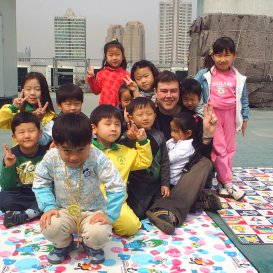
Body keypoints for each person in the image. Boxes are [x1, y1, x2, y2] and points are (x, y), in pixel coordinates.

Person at [32, 113, 125, 264]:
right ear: (55, 143)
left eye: (81, 149)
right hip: (64, 210)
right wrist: (49, 206)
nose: (74, 157)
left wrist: (110, 215)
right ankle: (64, 244)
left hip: (93, 212)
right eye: (67, 151)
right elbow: (41, 181)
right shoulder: (51, 157)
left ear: (90, 142)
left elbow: (116, 185)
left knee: (99, 233)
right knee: (50, 225)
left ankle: (91, 246)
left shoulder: (97, 157)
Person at [146, 70, 222, 235]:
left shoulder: (191, 118)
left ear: (179, 92)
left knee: (205, 163)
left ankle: (166, 209)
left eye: (173, 91)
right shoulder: (147, 114)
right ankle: (194, 199)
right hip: (155, 172)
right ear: (155, 92)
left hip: (181, 175)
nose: (169, 95)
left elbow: (201, 155)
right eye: (164, 91)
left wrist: (207, 136)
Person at [194, 36, 249, 201]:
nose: (222, 59)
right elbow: (191, 88)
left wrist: (244, 118)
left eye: (227, 55)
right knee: (219, 149)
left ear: (234, 55)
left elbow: (244, 99)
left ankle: (221, 182)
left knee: (230, 150)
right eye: (218, 55)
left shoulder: (239, 78)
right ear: (213, 56)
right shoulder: (205, 75)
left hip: (231, 116)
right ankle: (229, 184)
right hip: (212, 116)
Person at [90, 104, 152, 236]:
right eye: (107, 124)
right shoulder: (85, 150)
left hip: (116, 204)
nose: (113, 128)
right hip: (88, 204)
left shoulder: (125, 151)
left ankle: (108, 224)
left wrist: (142, 142)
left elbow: (144, 162)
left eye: (117, 124)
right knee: (83, 227)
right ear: (94, 128)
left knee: (131, 227)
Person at [124, 97, 170, 220]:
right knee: (137, 214)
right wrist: (130, 138)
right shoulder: (128, 135)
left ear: (155, 115)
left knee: (158, 209)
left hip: (155, 184)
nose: (145, 118)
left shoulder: (159, 135)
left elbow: (165, 161)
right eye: (140, 115)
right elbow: (123, 156)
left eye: (149, 114)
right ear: (131, 117)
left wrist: (165, 183)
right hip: (135, 185)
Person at [0, 112, 47, 228]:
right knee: (4, 198)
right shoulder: (12, 155)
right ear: (14, 137)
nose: (27, 135)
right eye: (21, 132)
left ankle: (25, 215)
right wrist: (9, 166)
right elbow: (7, 186)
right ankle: (36, 211)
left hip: (43, 192)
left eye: (31, 131)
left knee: (55, 195)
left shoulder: (46, 153)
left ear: (40, 133)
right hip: (23, 194)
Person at [0, 72, 56, 146]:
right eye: (28, 89)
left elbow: (44, 141)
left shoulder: (51, 117)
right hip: (19, 156)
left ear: (44, 91)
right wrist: (13, 108)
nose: (32, 93)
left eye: (37, 89)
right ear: (22, 90)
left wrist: (39, 121)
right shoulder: (16, 112)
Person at [87, 39, 130, 106]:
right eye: (111, 55)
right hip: (105, 110)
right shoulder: (101, 74)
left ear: (123, 57)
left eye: (117, 54)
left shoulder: (126, 75)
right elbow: (96, 91)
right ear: (106, 57)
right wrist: (91, 78)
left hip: (120, 110)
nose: (114, 58)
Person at [167, 112, 196, 187]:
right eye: (172, 130)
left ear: (188, 133)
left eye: (176, 131)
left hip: (171, 182)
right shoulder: (174, 140)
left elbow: (168, 159)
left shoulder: (186, 147)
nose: (172, 134)